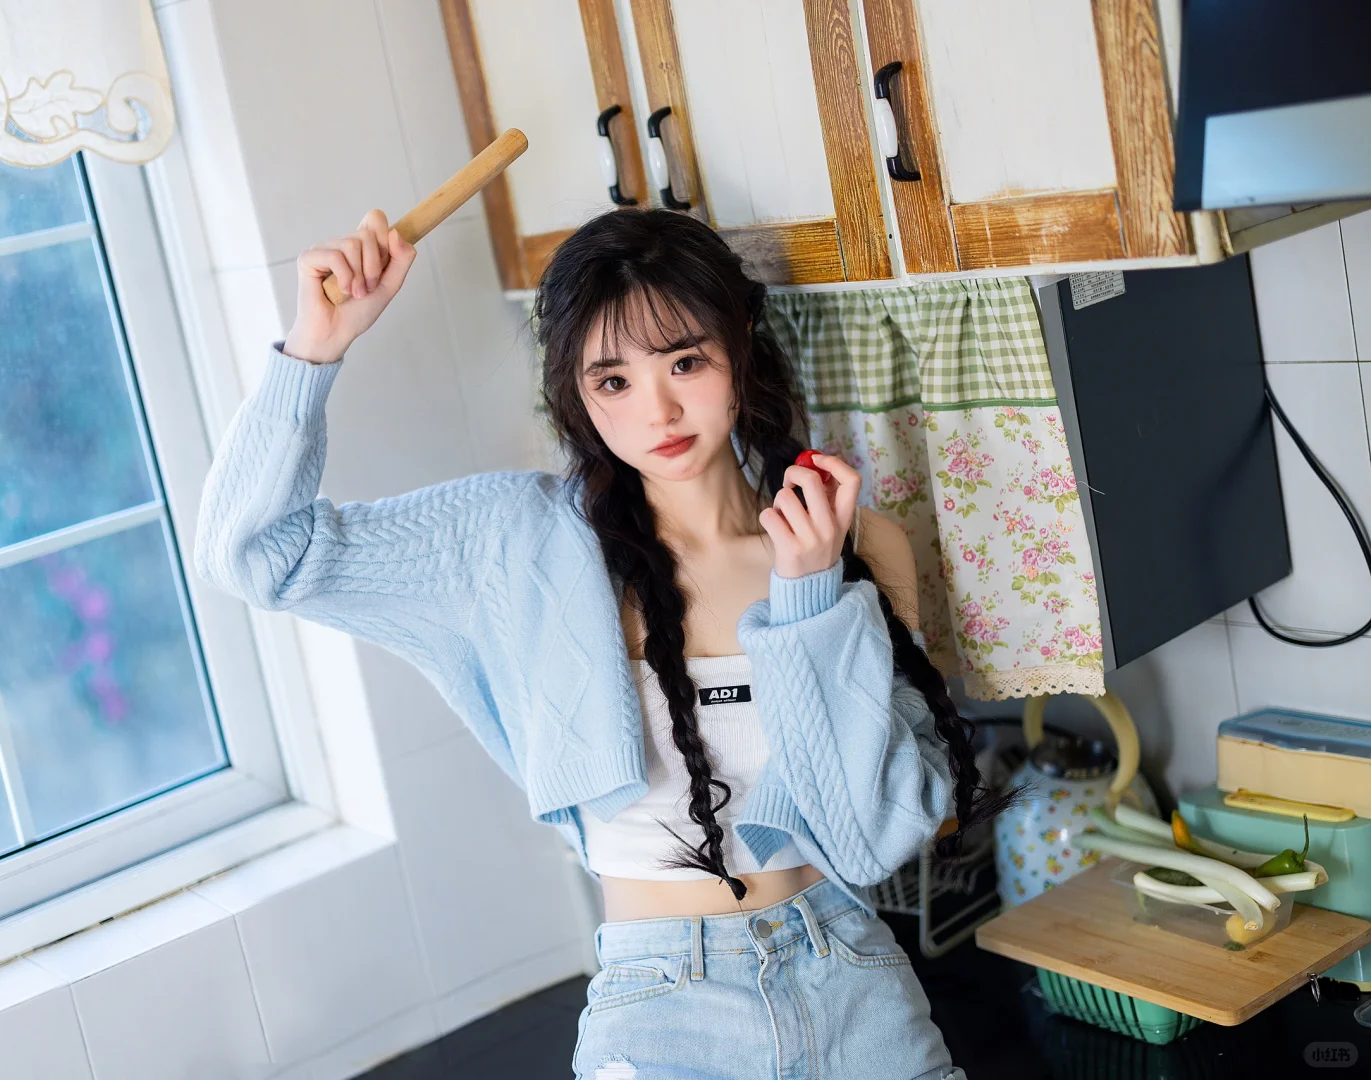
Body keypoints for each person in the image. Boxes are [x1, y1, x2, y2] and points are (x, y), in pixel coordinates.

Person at [196, 206, 997, 1079]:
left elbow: (874, 840)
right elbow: (256, 556)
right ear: (575, 396)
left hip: (854, 987)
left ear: (739, 351)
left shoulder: (854, 544)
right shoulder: (513, 541)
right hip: (662, 1014)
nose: (658, 410)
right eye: (612, 381)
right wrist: (314, 349)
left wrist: (808, 596)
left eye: (684, 362)